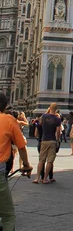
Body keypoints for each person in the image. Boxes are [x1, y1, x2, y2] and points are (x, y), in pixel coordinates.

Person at [0, 93, 32, 231]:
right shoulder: (8, 120)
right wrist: (26, 164)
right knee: (8, 216)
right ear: (5, 105)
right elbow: (21, 146)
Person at [33, 102, 61, 184]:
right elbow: (58, 131)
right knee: (50, 160)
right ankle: (45, 178)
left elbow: (39, 125)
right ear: (56, 110)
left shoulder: (44, 116)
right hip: (52, 140)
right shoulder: (57, 119)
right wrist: (58, 140)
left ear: (49, 107)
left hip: (44, 140)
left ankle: (37, 178)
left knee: (41, 160)